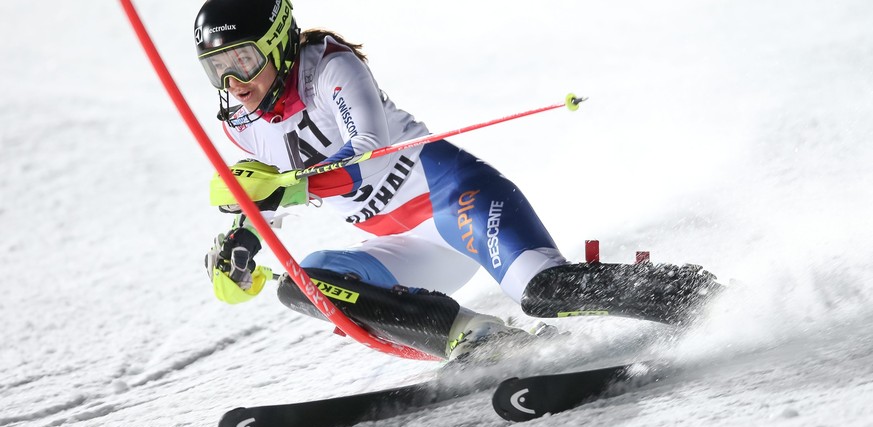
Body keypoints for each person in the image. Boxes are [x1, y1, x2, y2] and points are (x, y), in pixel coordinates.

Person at [195, 0, 722, 362]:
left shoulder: (331, 66)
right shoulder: (243, 125)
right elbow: (261, 195)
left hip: (458, 202)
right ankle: (478, 337)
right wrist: (240, 243)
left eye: (244, 59)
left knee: (546, 292)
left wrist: (287, 186)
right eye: (217, 68)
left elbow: (370, 155)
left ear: (280, 41)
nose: (234, 83)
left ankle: (703, 296)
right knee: (304, 285)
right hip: (403, 245)